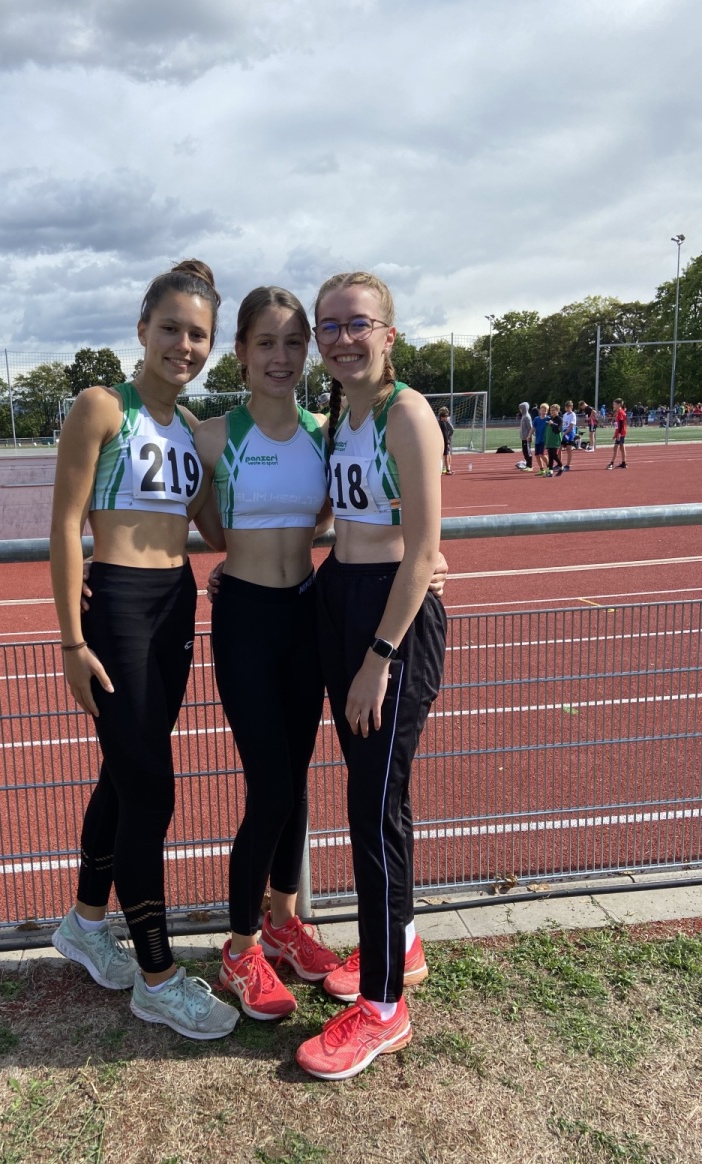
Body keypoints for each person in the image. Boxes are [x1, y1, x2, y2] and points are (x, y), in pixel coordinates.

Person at [196, 286, 449, 1023]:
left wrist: (423, 559)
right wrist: (108, 570)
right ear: (240, 353)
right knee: (271, 786)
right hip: (246, 620)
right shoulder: (209, 436)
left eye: (293, 342)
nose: (281, 357)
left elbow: (359, 512)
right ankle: (241, 947)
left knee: (301, 781)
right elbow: (187, 521)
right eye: (265, 343)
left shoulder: (326, 429)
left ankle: (284, 922)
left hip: (311, 612)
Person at [48, 259, 239, 1041]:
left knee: (126, 775)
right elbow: (65, 526)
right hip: (118, 609)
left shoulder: (192, 428)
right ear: (142, 329)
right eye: (171, 329)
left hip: (175, 605)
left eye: (198, 335)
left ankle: (85, 923)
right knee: (152, 791)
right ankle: (156, 977)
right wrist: (70, 639)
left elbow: (215, 531)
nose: (183, 346)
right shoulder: (101, 406)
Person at [294, 271, 446, 1081]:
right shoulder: (340, 421)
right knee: (380, 793)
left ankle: (384, 1008)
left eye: (358, 323)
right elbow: (337, 514)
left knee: (370, 809)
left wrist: (378, 661)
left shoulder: (406, 414)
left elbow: (422, 551)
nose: (342, 338)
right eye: (329, 326)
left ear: (389, 334)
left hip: (390, 620)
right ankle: (403, 943)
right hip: (340, 596)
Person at [606, 397, 628, 469]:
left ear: (619, 405)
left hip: (621, 433)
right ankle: (624, 463)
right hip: (620, 433)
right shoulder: (618, 412)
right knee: (621, 447)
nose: (613, 406)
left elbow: (621, 424)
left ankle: (612, 463)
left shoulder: (621, 412)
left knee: (615, 447)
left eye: (614, 404)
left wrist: (618, 434)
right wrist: (615, 434)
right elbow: (617, 425)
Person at [545, 404, 564, 476]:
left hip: (556, 440)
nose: (552, 412)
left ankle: (561, 466)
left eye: (553, 410)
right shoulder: (550, 419)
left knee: (553, 455)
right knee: (550, 455)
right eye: (551, 410)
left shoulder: (559, 419)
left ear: (558, 411)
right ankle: (551, 471)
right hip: (549, 439)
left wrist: (552, 424)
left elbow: (558, 430)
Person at [532, 403, 549, 476]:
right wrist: (529, 435)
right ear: (540, 410)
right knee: (537, 455)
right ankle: (541, 469)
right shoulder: (536, 419)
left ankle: (549, 466)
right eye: (542, 410)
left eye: (545, 410)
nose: (543, 412)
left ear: (547, 411)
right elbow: (533, 428)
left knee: (542, 454)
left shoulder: (548, 419)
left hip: (544, 440)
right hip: (537, 439)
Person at [560, 400, 578, 470]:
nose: (567, 409)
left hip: (569, 433)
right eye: (566, 407)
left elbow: (571, 426)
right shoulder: (564, 415)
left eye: (568, 407)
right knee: (559, 448)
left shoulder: (573, 415)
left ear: (571, 407)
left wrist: (565, 433)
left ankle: (567, 465)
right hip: (564, 432)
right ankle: (559, 464)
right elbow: (563, 425)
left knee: (568, 449)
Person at [437, 406, 454, 475]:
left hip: (442, 441)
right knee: (446, 455)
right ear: (442, 417)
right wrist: (447, 442)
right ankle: (447, 469)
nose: (447, 418)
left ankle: (446, 469)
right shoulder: (443, 424)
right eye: (446, 417)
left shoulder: (440, 422)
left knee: (445, 455)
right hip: (444, 441)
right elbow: (445, 434)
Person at [517, 402, 533, 471]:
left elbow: (530, 427)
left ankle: (530, 466)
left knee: (527, 451)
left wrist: (530, 436)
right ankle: (527, 464)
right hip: (523, 438)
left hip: (527, 438)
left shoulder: (527, 417)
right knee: (525, 451)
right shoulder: (523, 416)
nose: (520, 410)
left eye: (521, 408)